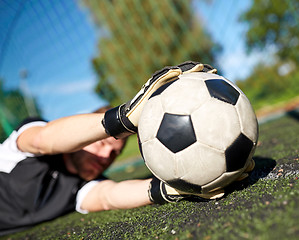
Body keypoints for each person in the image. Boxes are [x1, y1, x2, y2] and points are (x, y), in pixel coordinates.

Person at [0, 61, 228, 236]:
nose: (105, 157)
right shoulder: (27, 139)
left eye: (114, 154)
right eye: (101, 143)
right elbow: (44, 139)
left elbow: (108, 196)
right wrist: (122, 120)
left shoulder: (82, 186)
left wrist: (175, 187)